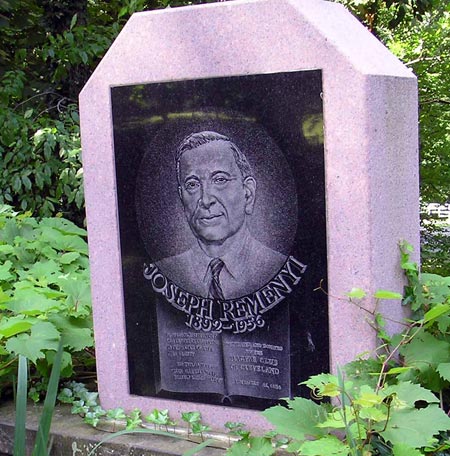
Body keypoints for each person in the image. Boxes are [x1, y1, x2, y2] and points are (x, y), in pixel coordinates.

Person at [156, 131, 287, 300]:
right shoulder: (165, 273)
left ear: (248, 193)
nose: (206, 199)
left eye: (220, 180)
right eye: (193, 184)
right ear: (182, 198)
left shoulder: (276, 267)